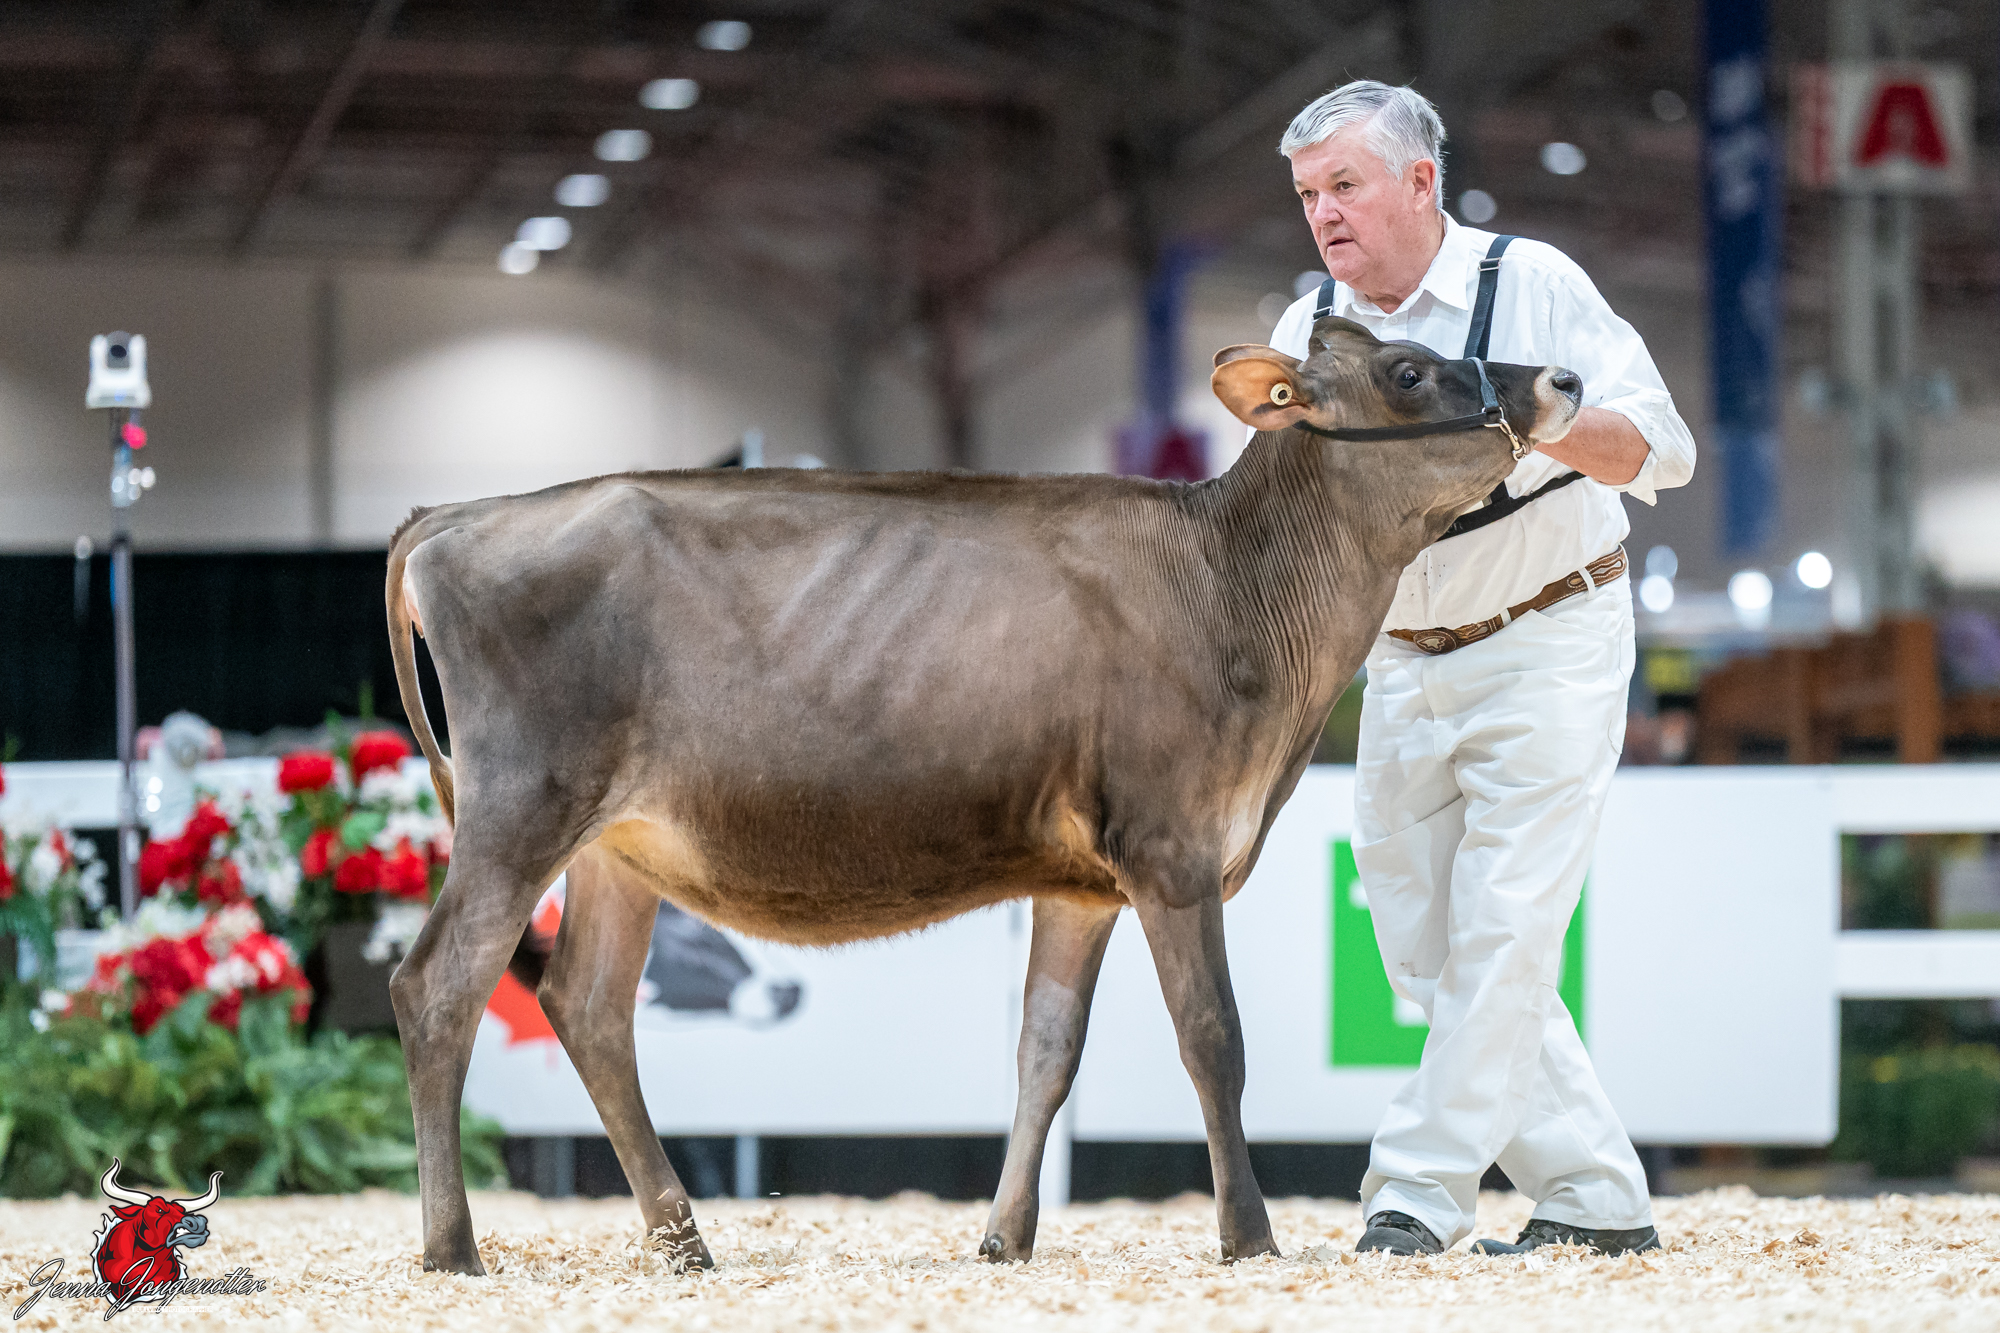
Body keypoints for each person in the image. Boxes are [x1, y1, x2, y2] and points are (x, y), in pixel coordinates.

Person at [1263, 81, 1695, 1256]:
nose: (1323, 214)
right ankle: (1594, 1201)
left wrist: (1535, 416)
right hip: (1400, 660)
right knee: (1422, 947)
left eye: (1343, 185)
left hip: (1550, 635)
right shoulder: (1308, 328)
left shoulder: (1529, 283)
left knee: (1503, 925)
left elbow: (1661, 449)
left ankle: (1413, 1193)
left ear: (1419, 181)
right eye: (1306, 194)